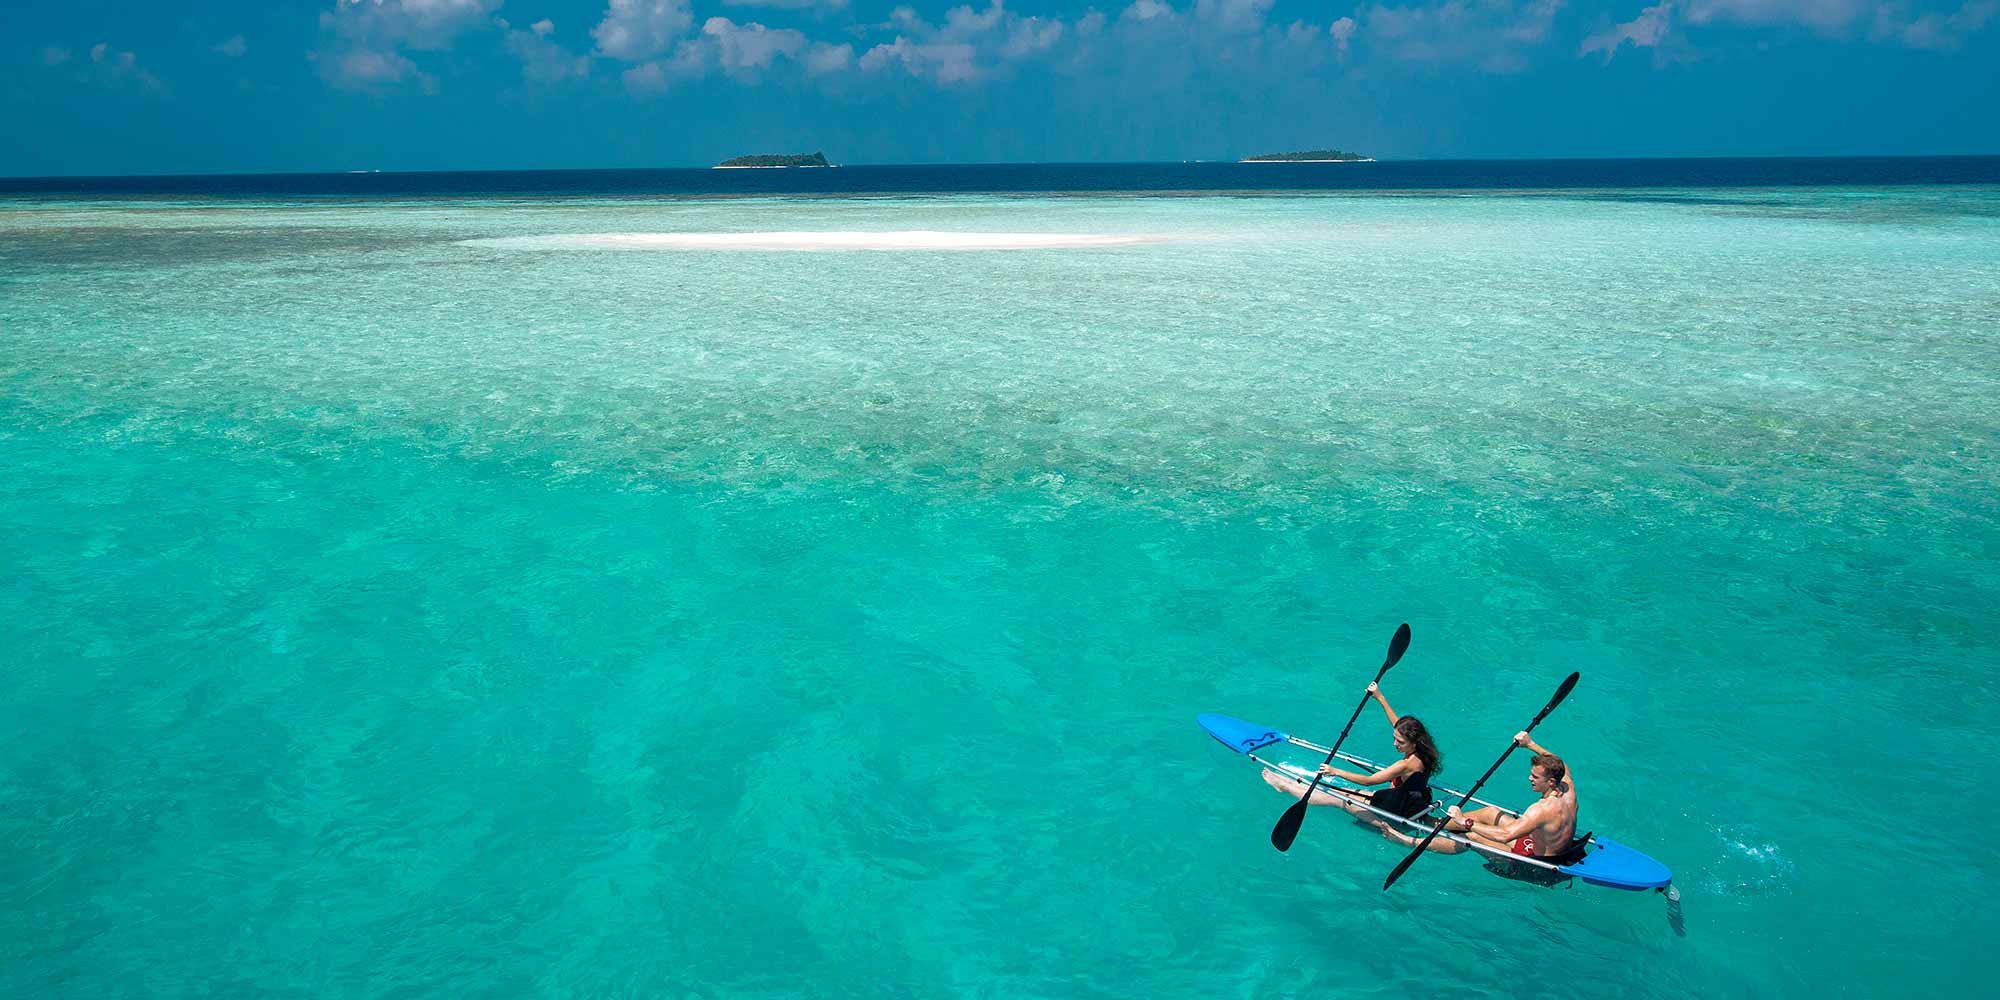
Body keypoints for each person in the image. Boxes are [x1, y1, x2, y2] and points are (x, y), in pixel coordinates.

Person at [1261, 682, 1442, 821]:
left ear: (1413, 741)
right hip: (1401, 801)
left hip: (1391, 812)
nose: (1395, 744)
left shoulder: (1405, 765)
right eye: (1395, 738)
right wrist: (1379, 697)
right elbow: (1398, 724)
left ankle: (1284, 786)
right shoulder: (1423, 750)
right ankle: (1290, 783)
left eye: (1400, 742)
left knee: (1336, 797)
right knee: (1342, 790)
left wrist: (1335, 771)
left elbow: (1369, 781)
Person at [1441, 732, 1578, 861]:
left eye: (1535, 777)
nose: (1530, 778)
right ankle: (1435, 823)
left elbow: (1505, 836)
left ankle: (1418, 842)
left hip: (1536, 864)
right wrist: (1530, 744)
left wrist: (1464, 821)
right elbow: (1560, 764)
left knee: (1471, 837)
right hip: (1548, 848)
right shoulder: (1567, 787)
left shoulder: (1541, 809)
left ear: (1551, 781)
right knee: (1490, 813)